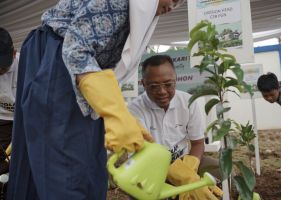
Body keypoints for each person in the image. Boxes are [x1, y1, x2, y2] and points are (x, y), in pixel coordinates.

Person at [6, 1, 184, 199]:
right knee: (64, 169)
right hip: (58, 61)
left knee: (89, 167)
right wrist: (114, 112)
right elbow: (77, 49)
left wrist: (120, 114)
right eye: (174, 0)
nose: (173, 6)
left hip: (79, 72)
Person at [128, 55, 222, 199]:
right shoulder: (134, 110)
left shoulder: (188, 102)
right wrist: (185, 179)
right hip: (149, 168)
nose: (162, 91)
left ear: (175, 80)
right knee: (140, 191)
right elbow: (145, 156)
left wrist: (190, 170)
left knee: (220, 170)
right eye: (154, 86)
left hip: (185, 160)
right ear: (143, 83)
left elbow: (197, 143)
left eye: (168, 84)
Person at [0, 27, 19, 175]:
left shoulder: (27, 63)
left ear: (13, 53)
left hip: (25, 118)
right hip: (2, 120)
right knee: (3, 165)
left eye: (3, 66)